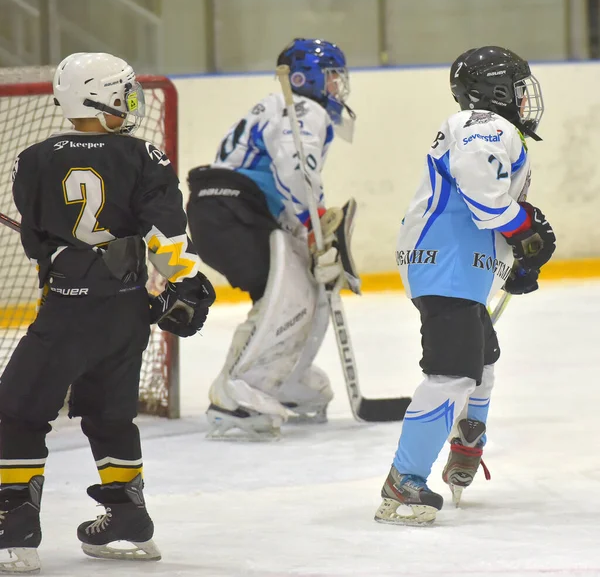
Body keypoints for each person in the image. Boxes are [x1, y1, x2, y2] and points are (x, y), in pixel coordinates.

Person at [0, 52, 215, 572]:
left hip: (67, 311)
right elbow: (166, 236)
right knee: (110, 415)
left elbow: (35, 244)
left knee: (17, 412)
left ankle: (14, 524)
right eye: (125, 90)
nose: (132, 100)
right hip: (127, 311)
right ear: (103, 96)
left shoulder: (33, 159)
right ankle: (127, 519)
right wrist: (187, 283)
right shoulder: (145, 156)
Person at [374, 46, 556, 526]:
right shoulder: (484, 124)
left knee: (482, 363)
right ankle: (403, 483)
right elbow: (485, 197)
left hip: (458, 265)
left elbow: (492, 205)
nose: (523, 98)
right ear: (495, 90)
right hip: (446, 265)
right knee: (452, 374)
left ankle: (466, 440)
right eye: (516, 88)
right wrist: (525, 233)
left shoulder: (490, 129)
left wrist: (521, 245)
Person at [186, 38, 358, 440]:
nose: (337, 87)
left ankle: (285, 379)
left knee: (305, 286)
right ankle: (239, 392)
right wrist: (314, 223)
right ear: (309, 78)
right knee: (286, 298)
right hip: (233, 211)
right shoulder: (306, 109)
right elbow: (295, 169)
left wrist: (313, 238)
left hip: (226, 210)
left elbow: (282, 183)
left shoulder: (277, 106)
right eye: (333, 77)